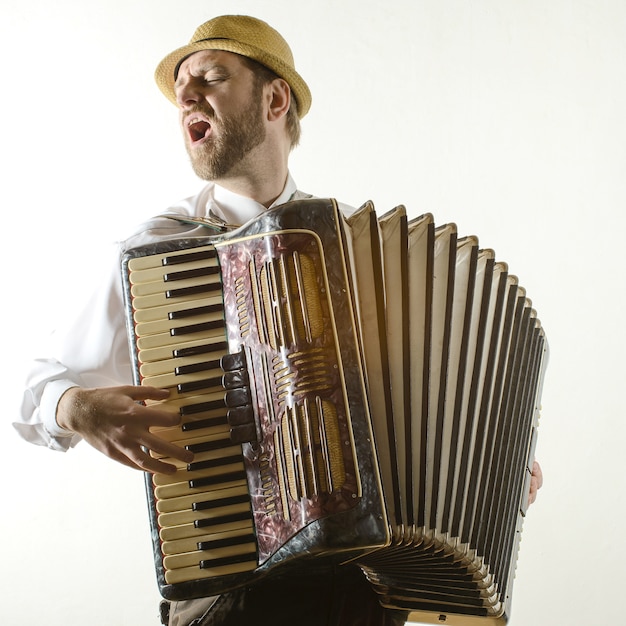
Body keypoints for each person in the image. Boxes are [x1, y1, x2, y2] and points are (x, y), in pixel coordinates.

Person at [14, 14, 543, 626]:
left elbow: (439, 391)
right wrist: (74, 408)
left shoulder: (363, 247)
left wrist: (497, 469)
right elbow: (30, 387)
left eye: (209, 77)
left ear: (274, 98)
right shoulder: (160, 253)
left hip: (367, 591)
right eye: (180, 89)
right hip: (236, 588)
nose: (186, 95)